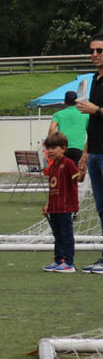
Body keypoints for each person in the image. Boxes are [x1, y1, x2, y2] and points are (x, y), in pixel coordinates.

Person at [73, 35, 103, 273]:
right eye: (92, 51)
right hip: (95, 154)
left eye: (99, 51)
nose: (94, 55)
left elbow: (96, 113)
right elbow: (92, 123)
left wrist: (98, 109)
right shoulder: (93, 80)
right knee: (101, 208)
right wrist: (85, 152)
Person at [41, 131, 83, 273]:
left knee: (66, 234)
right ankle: (59, 260)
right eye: (48, 148)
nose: (50, 151)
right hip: (54, 207)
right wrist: (48, 204)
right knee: (57, 235)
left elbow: (78, 179)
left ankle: (69, 263)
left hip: (66, 206)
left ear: (63, 148)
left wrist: (82, 170)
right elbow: (52, 187)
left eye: (54, 148)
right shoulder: (52, 166)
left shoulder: (68, 163)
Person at [48, 90, 87, 166]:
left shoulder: (58, 114)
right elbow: (91, 132)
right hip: (79, 148)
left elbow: (51, 129)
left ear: (65, 101)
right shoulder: (85, 114)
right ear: (77, 101)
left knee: (62, 173)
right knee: (76, 174)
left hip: (62, 149)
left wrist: (50, 146)